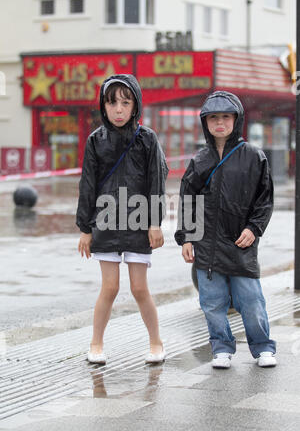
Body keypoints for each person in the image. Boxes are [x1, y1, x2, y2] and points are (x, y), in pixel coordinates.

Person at [175, 90, 276, 369]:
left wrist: (254, 229)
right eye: (214, 117)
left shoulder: (254, 157)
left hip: (241, 242)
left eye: (226, 117)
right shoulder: (199, 161)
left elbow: (264, 199)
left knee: (251, 300)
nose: (220, 122)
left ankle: (263, 347)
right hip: (207, 245)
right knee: (211, 302)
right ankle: (221, 347)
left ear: (236, 119)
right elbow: (188, 200)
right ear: (205, 122)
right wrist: (186, 237)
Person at [76, 74, 168, 364]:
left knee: (140, 288)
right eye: (112, 102)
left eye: (125, 103)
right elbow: (87, 185)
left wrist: (154, 222)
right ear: (103, 106)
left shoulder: (147, 139)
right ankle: (96, 344)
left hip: (139, 222)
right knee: (110, 287)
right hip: (105, 222)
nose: (118, 109)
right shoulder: (95, 141)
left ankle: (156, 343)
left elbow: (157, 181)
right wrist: (85, 229)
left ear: (135, 106)